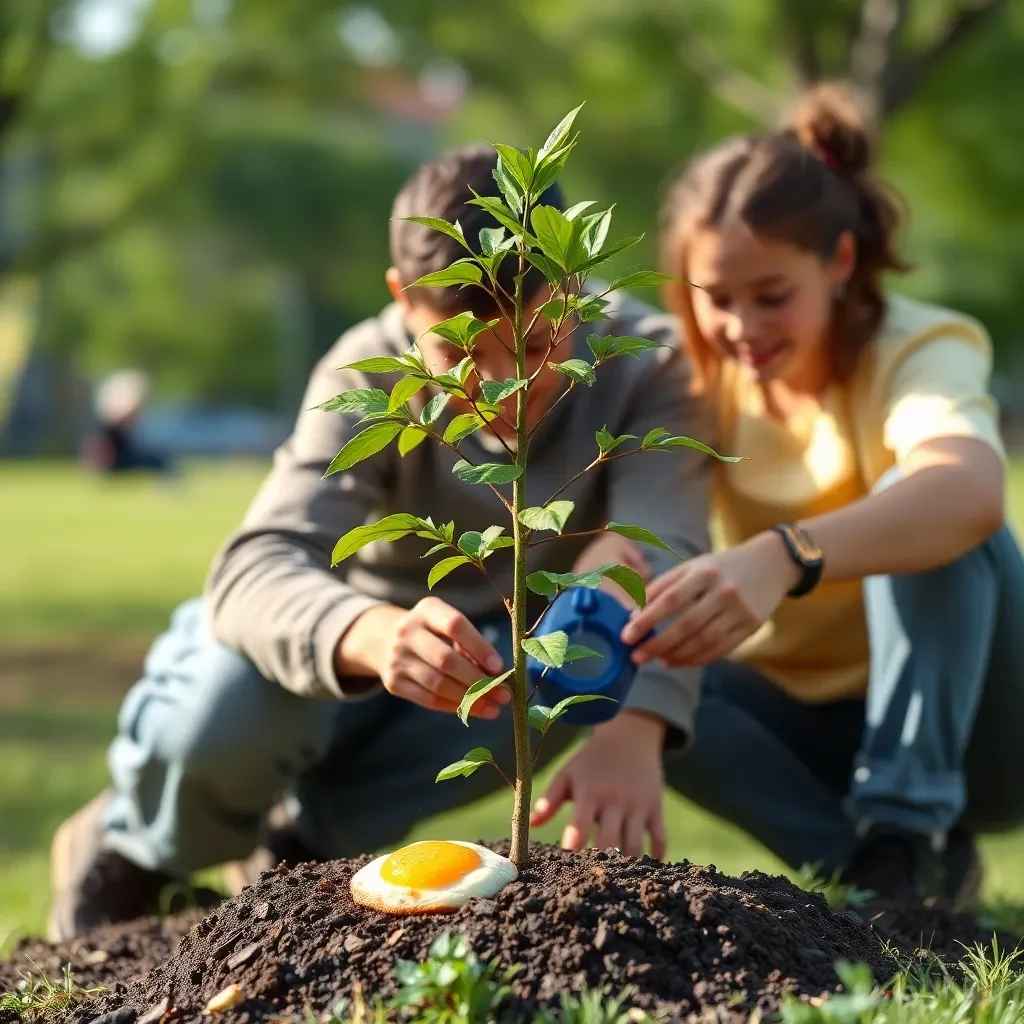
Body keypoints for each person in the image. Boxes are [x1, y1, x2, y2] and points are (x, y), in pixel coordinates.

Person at [48, 144, 717, 941]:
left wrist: (628, 690)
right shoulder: (366, 377)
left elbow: (672, 545)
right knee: (229, 703)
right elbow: (254, 570)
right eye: (457, 357)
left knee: (573, 653)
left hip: (487, 668)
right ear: (404, 301)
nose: (500, 391)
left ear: (572, 287)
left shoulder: (645, 361)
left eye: (536, 348)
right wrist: (372, 634)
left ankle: (301, 848)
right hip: (337, 673)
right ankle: (133, 850)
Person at [612, 84, 1024, 909]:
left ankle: (909, 826)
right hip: (800, 732)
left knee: (930, 502)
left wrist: (784, 556)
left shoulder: (916, 348)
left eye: (772, 296)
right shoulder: (691, 384)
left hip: (974, 725)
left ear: (839, 262)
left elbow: (973, 493)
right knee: (635, 656)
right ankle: (881, 878)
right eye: (716, 299)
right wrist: (621, 724)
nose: (742, 328)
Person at [81, 369, 172, 475]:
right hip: (118, 461)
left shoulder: (117, 423)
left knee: (159, 458)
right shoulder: (111, 423)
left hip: (123, 457)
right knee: (157, 460)